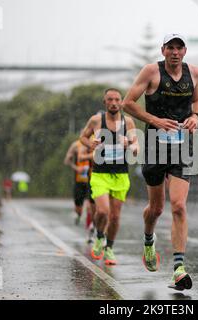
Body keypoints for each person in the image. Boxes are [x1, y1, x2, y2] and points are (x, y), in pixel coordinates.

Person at [122, 33, 198, 290]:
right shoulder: (151, 72)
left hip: (184, 146)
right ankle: (148, 240)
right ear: (163, 50)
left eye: (179, 48)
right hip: (155, 146)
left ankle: (179, 268)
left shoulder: (195, 73)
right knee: (156, 209)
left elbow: (197, 100)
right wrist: (155, 121)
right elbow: (127, 103)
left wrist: (196, 117)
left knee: (178, 206)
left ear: (185, 51)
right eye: (171, 47)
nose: (175, 52)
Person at [80, 88, 139, 265]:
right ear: (105, 102)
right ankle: (99, 236)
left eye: (117, 100)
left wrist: (130, 144)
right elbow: (82, 137)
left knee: (114, 217)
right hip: (100, 174)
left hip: (121, 174)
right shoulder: (96, 120)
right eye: (110, 100)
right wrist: (91, 144)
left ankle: (110, 248)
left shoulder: (128, 122)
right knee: (103, 211)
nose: (114, 103)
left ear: (121, 102)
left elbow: (135, 144)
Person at [64, 136, 95, 234]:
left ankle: (90, 228)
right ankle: (78, 215)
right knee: (79, 208)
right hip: (79, 180)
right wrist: (76, 168)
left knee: (90, 206)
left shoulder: (94, 143)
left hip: (91, 179)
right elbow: (66, 160)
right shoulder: (76, 145)